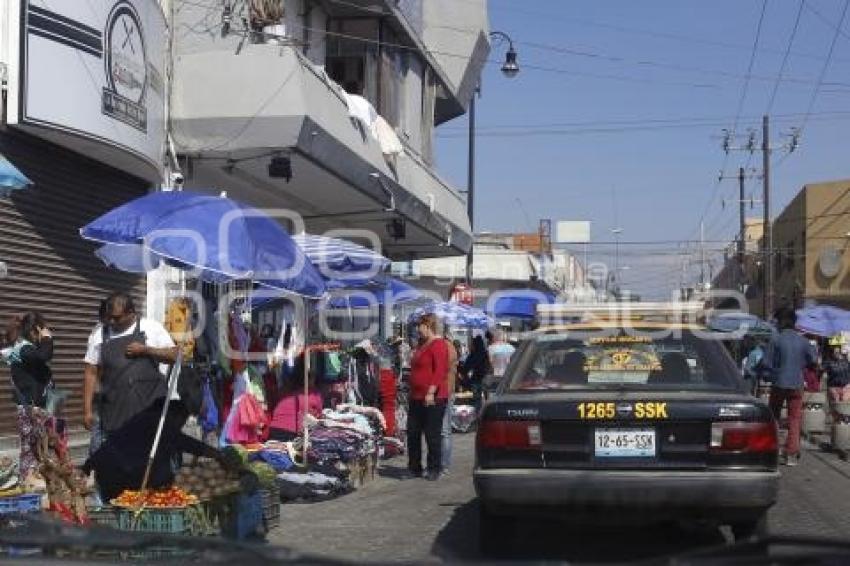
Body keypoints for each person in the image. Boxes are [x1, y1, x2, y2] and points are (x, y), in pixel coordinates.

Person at [81, 397, 229, 502]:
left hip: (105, 465)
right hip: (118, 469)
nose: (180, 427)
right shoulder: (160, 423)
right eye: (181, 422)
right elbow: (187, 443)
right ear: (175, 416)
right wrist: (217, 454)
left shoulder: (146, 418)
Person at [84, 292, 178, 438]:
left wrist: (146, 350)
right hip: (114, 415)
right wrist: (87, 410)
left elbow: (175, 355)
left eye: (116, 318)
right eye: (109, 317)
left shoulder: (151, 327)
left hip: (149, 413)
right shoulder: (99, 334)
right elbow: (90, 372)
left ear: (131, 313)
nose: (112, 322)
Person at [764, 308, 817, 466]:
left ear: (781, 322)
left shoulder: (776, 340)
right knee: (795, 418)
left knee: (773, 416)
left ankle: (772, 448)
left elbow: (766, 363)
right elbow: (814, 360)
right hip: (796, 384)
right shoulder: (803, 341)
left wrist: (771, 373)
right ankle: (791, 454)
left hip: (779, 383)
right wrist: (802, 365)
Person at [407, 314, 449, 481]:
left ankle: (434, 468)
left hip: (433, 397)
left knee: (432, 434)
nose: (418, 329)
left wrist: (431, 391)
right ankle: (414, 466)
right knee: (412, 432)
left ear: (428, 326)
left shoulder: (438, 344)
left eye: (421, 326)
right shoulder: (421, 345)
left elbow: (440, 371)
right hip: (416, 396)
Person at [2, 312, 53, 408]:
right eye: (41, 329)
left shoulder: (20, 346)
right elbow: (44, 356)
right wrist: (47, 338)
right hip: (33, 406)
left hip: (30, 403)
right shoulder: (23, 348)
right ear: (34, 330)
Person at [269, 355, 322, 442]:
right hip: (292, 431)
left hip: (274, 428)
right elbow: (318, 416)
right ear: (311, 379)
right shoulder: (314, 394)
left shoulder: (286, 390)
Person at [441, 329, 459, 474]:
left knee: (444, 430)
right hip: (449, 390)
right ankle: (445, 463)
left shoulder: (445, 347)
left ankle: (444, 463)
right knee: (445, 430)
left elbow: (442, 369)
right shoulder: (451, 347)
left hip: (444, 391)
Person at [462, 335, 490, 409]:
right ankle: (485, 411)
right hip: (484, 378)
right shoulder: (485, 354)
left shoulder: (473, 355)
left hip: (475, 379)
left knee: (476, 399)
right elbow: (488, 365)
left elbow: (466, 367)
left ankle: (477, 413)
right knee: (487, 398)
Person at [824, 342, 850, 421]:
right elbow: (821, 370)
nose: (837, 353)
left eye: (838, 352)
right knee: (835, 406)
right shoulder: (828, 362)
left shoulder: (847, 361)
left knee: (845, 405)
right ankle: (837, 425)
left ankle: (844, 422)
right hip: (833, 387)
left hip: (846, 386)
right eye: (835, 352)